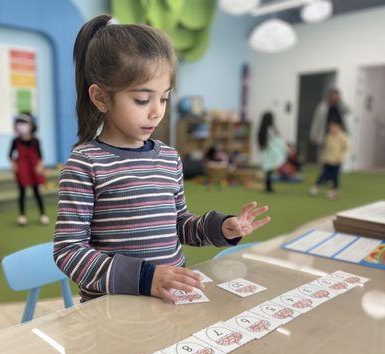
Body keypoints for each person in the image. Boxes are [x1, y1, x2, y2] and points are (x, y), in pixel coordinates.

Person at [53, 15, 271, 303]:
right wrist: (145, 278)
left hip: (169, 300)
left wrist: (220, 228)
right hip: (112, 308)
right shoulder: (86, 163)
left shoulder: (169, 158)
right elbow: (69, 250)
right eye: (142, 100)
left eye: (164, 98)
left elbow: (179, 223)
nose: (157, 111)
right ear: (101, 98)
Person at [8, 112, 48, 226]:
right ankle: (22, 216)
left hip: (33, 169)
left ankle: (43, 214)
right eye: (19, 124)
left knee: (37, 193)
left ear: (31, 125)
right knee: (21, 193)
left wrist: (40, 166)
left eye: (24, 123)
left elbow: (40, 156)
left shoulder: (36, 140)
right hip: (22, 169)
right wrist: (13, 165)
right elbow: (10, 155)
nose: (21, 126)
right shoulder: (15, 141)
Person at [310, 121, 350, 199]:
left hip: (337, 161)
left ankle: (333, 192)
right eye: (331, 127)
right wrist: (323, 158)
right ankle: (316, 188)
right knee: (323, 175)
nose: (332, 128)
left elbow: (347, 148)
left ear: (338, 127)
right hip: (327, 160)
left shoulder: (342, 137)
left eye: (334, 127)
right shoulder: (328, 136)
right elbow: (325, 148)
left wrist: (342, 157)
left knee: (335, 177)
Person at [310, 88, 350, 159]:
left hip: (339, 134)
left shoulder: (340, 105)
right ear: (329, 96)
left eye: (337, 96)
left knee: (337, 153)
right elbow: (316, 121)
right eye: (334, 96)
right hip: (326, 134)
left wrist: (340, 102)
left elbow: (348, 110)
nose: (335, 98)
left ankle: (336, 167)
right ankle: (326, 167)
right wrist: (313, 135)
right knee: (326, 154)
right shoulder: (322, 106)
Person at [257, 112, 287, 193]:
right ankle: (268, 187)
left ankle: (268, 186)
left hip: (265, 153)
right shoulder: (271, 129)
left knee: (267, 171)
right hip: (270, 152)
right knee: (269, 171)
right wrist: (284, 147)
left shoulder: (261, 130)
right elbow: (277, 140)